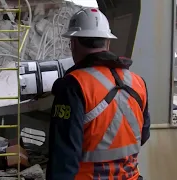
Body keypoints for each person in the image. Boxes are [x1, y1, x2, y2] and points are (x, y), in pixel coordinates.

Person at [46, 7, 150, 180]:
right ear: (107, 42)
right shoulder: (138, 82)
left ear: (73, 43)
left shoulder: (73, 85)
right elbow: (144, 134)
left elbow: (64, 154)